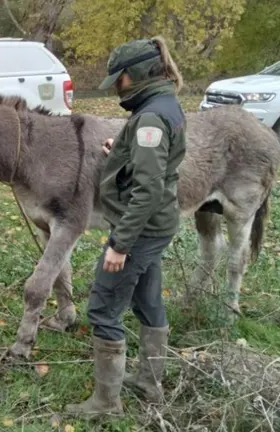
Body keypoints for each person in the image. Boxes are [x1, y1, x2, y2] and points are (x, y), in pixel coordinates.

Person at [65, 36, 187, 415]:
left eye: (118, 79)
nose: (116, 86)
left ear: (133, 75)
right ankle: (149, 384)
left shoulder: (150, 117)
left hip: (141, 229)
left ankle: (106, 402)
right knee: (148, 301)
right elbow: (155, 163)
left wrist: (119, 245)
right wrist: (119, 151)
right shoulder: (163, 105)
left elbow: (148, 189)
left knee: (103, 308)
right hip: (157, 226)